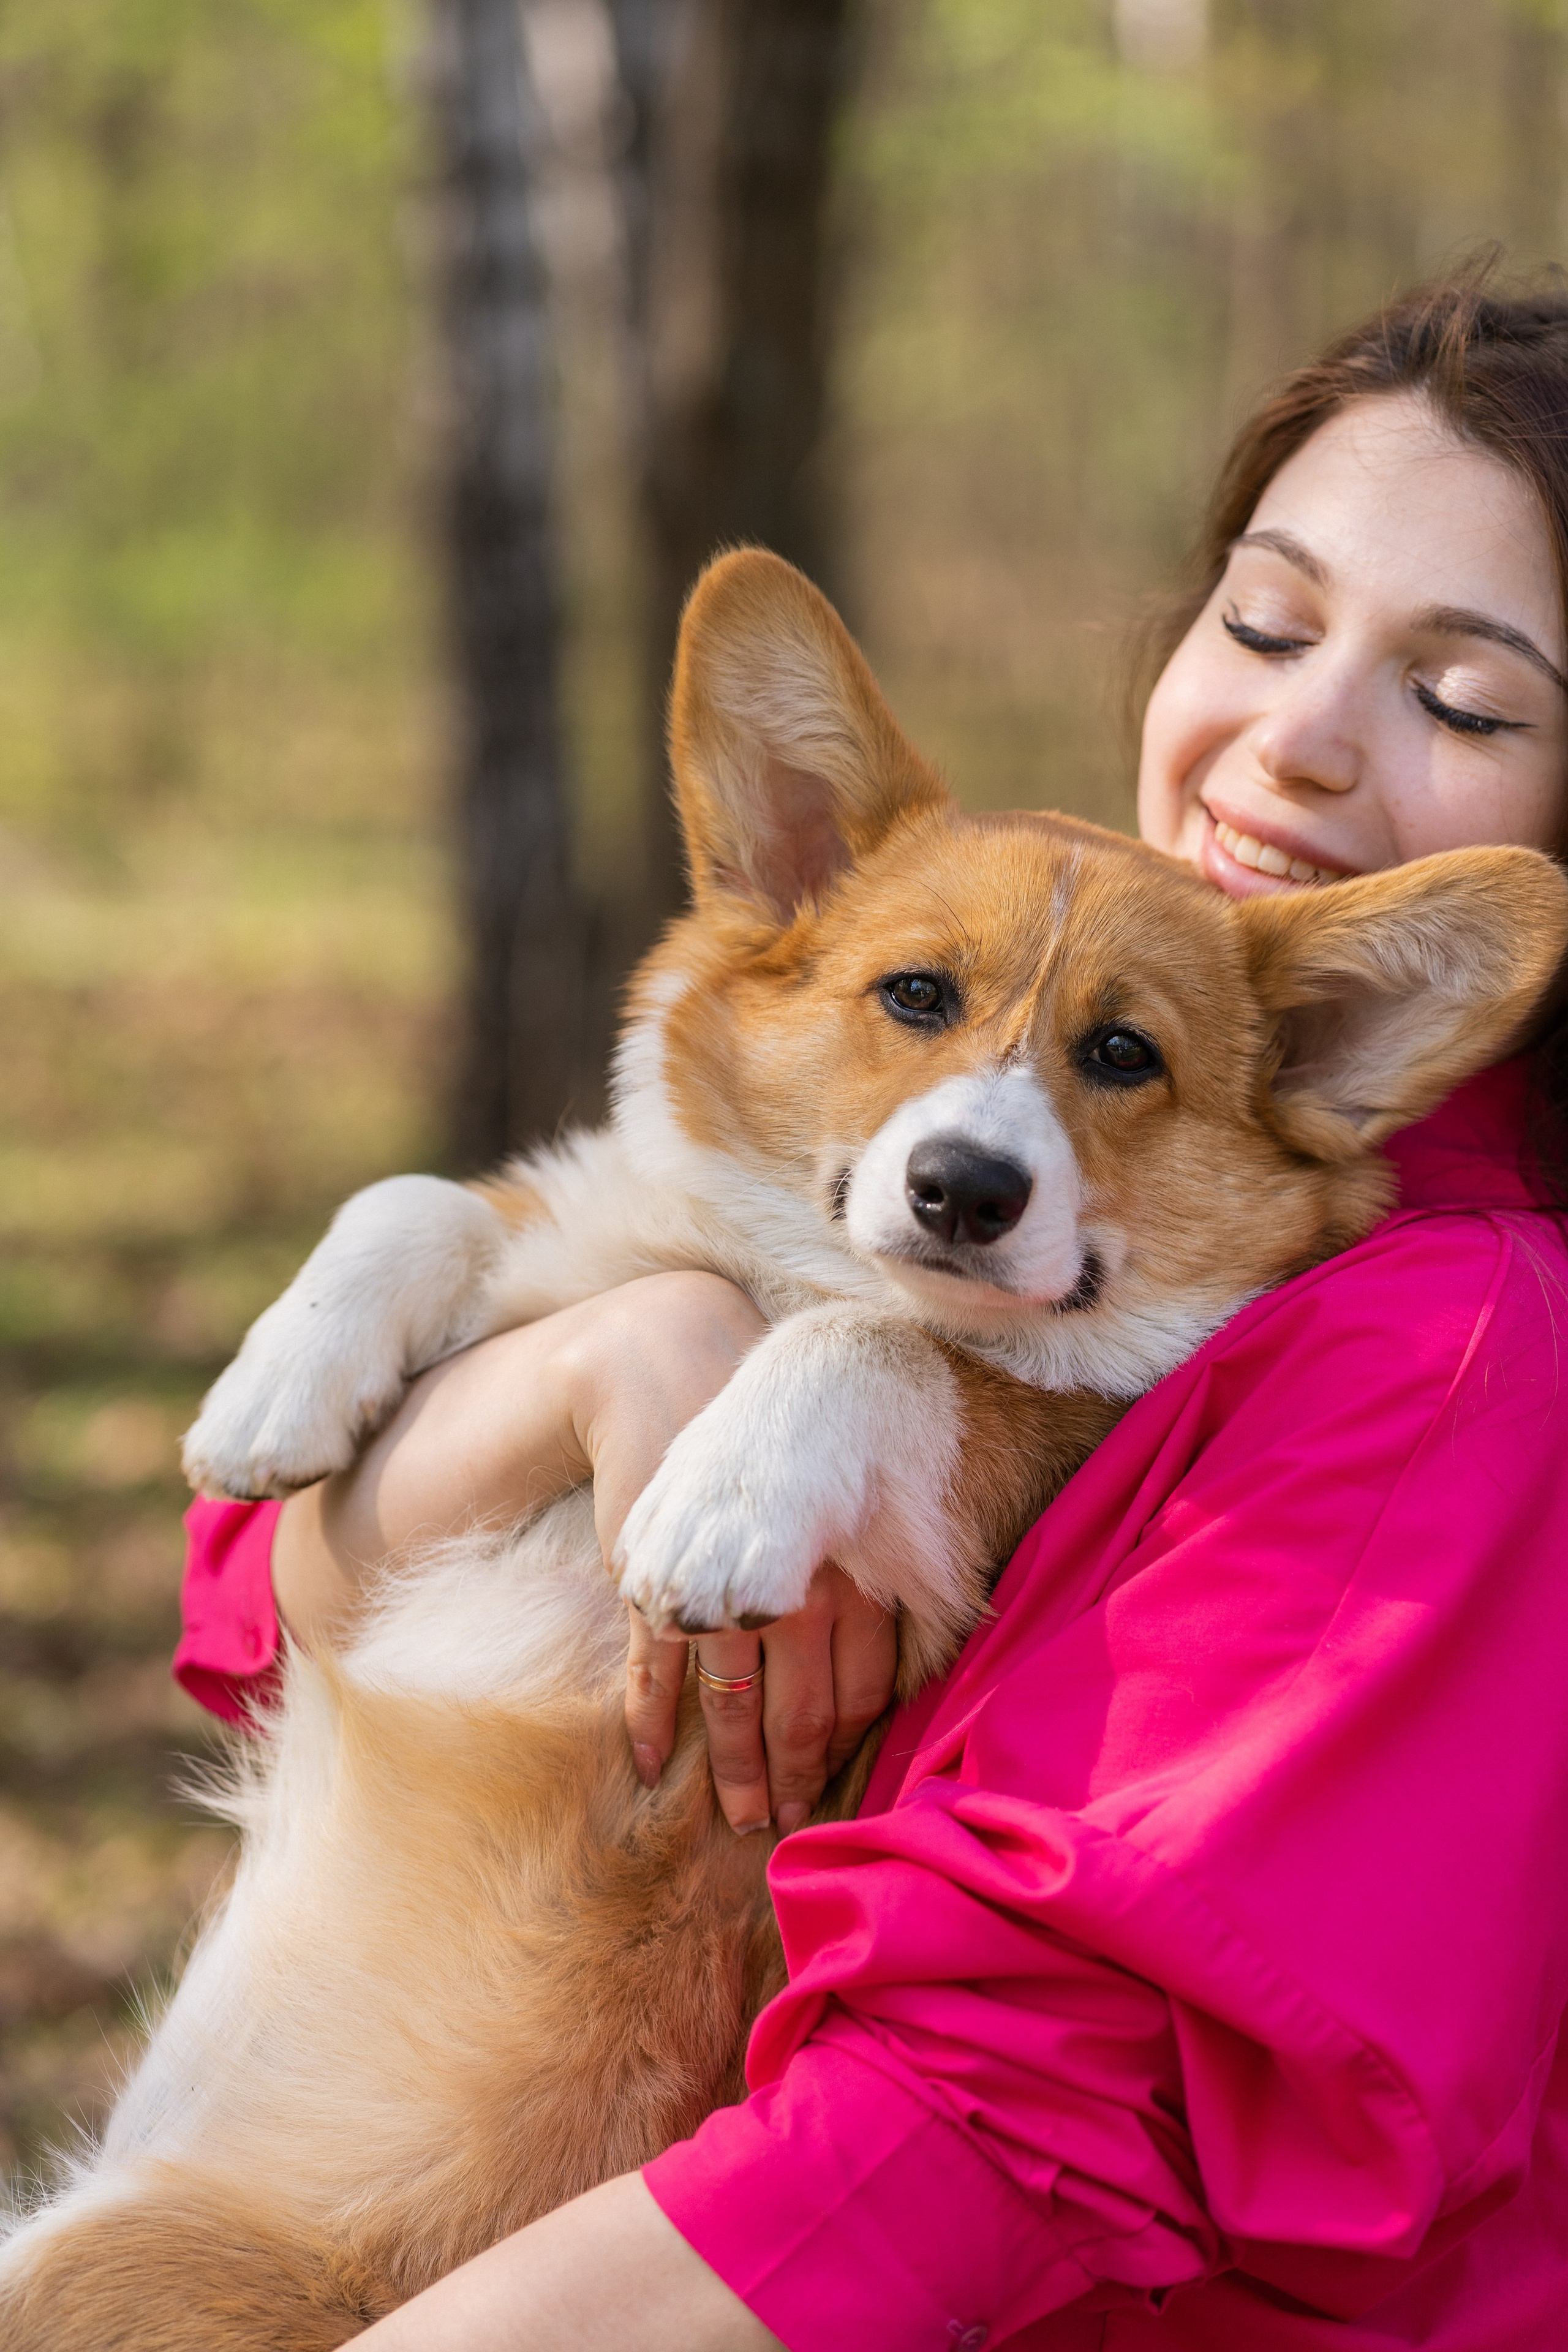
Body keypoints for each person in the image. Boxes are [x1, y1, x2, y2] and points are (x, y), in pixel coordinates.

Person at [176, 273, 1568, 2348]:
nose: (1296, 738)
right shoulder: (993, 1001)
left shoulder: (1450, 1353)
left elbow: (1002, 2115)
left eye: (1461, 700)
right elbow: (273, 1602)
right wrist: (615, 1354)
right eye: (1267, 625)